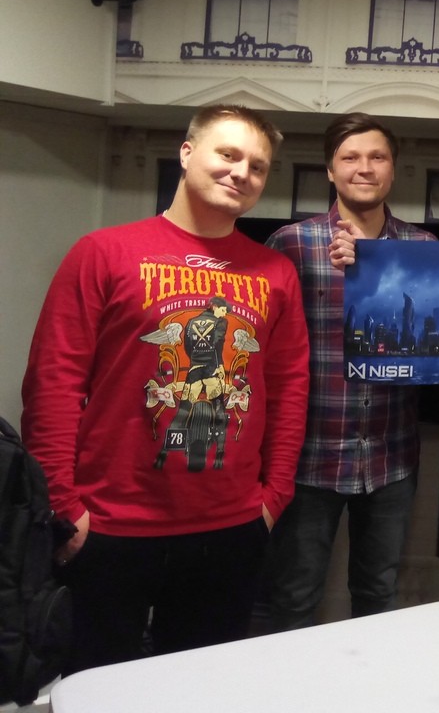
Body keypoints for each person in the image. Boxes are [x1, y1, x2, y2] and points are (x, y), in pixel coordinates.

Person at [20, 104, 310, 673]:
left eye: (257, 165)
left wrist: (273, 497)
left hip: (230, 527)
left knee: (201, 690)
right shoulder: (103, 252)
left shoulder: (275, 273)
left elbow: (288, 389)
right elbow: (54, 382)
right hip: (109, 524)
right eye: (228, 154)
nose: (241, 172)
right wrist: (63, 505)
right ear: (187, 152)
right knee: (98, 690)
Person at [264, 112, 436, 630]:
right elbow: (263, 354)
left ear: (393, 168)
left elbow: (435, 349)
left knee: (378, 596)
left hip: (390, 456)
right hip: (308, 458)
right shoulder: (291, 244)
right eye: (351, 157)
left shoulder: (423, 250)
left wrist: (379, 269)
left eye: (377, 157)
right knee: (294, 597)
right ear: (330, 170)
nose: (365, 168)